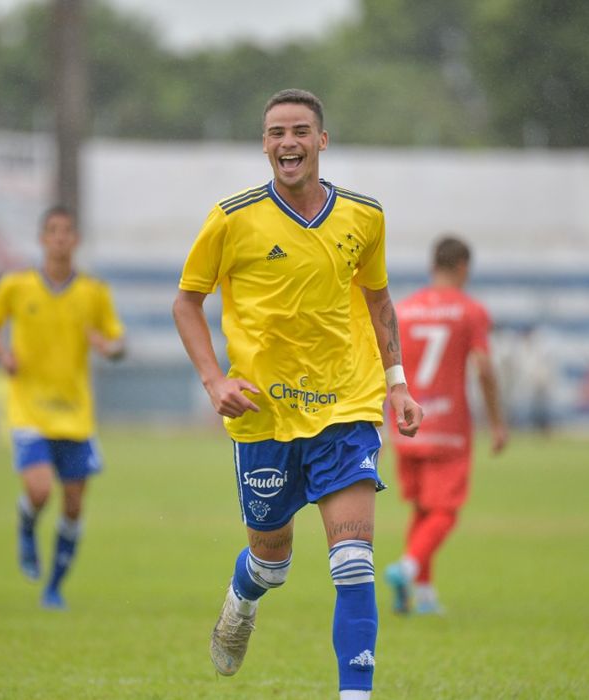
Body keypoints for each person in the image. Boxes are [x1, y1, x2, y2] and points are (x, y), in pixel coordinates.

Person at [172, 88, 423, 700]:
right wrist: (214, 379)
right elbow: (187, 301)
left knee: (354, 561)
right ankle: (243, 597)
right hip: (265, 414)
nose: (290, 142)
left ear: (321, 141)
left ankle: (354, 695)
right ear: (265, 144)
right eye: (278, 132)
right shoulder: (231, 218)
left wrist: (397, 384)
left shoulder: (365, 216)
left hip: (346, 407)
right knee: (272, 562)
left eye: (301, 131)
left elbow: (379, 300)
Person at [0, 205, 126, 611]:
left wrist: (108, 347)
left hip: (76, 414)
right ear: (42, 239)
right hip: (30, 409)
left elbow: (118, 343)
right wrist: (3, 355)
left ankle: (54, 587)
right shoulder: (16, 285)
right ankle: (26, 523)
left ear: (75, 240)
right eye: (52, 231)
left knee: (75, 504)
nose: (60, 238)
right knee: (40, 489)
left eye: (67, 231)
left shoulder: (93, 293)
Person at [383, 236, 508, 615]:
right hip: (449, 425)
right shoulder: (470, 311)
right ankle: (407, 568)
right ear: (463, 268)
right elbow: (484, 367)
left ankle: (422, 595)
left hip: (406, 422)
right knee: (445, 511)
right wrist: (497, 421)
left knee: (422, 509)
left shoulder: (403, 310)